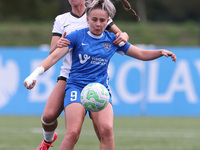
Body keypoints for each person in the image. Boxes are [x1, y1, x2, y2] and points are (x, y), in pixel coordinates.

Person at [24, 0, 177, 149]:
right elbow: (53, 56)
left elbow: (141, 53)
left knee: (107, 130)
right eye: (94, 20)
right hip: (76, 87)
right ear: (87, 19)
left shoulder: (112, 40)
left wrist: (160, 52)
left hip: (100, 90)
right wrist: (34, 75)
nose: (98, 23)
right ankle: (47, 141)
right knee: (71, 133)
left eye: (102, 20)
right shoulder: (75, 35)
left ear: (108, 21)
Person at [34, 0, 129, 149]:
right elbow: (52, 53)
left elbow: (120, 36)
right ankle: (47, 141)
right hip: (70, 76)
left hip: (96, 79)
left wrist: (125, 35)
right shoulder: (61, 19)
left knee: (104, 130)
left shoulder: (97, 13)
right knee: (48, 116)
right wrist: (58, 45)